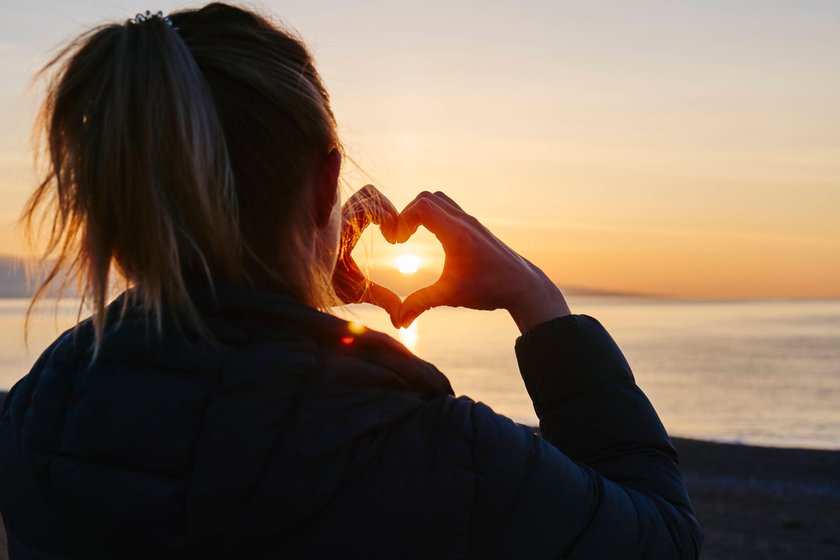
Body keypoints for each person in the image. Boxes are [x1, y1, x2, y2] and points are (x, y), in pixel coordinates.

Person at [0, 4, 702, 558]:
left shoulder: (34, 421)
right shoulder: (427, 451)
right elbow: (661, 536)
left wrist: (299, 276)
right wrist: (539, 303)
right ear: (325, 183)